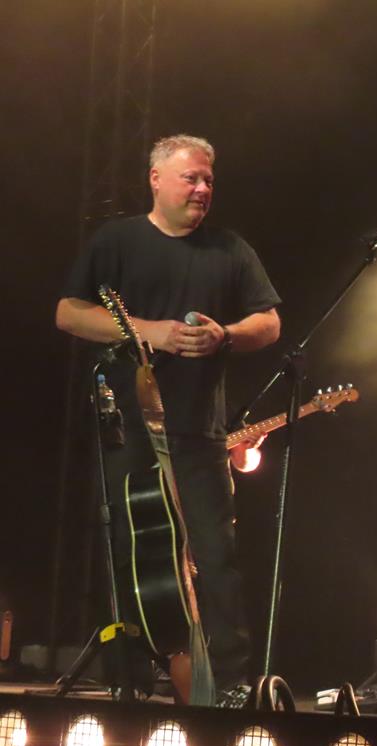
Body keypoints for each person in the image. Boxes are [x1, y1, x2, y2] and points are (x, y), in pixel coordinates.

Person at [56, 134, 281, 705]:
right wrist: (148, 331)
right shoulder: (118, 240)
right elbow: (69, 313)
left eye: (209, 180)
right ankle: (131, 678)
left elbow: (269, 322)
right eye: (191, 178)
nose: (203, 188)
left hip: (199, 431)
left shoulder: (229, 248)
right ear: (156, 179)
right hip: (127, 429)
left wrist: (225, 335)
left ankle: (228, 686)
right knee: (133, 553)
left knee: (216, 557)